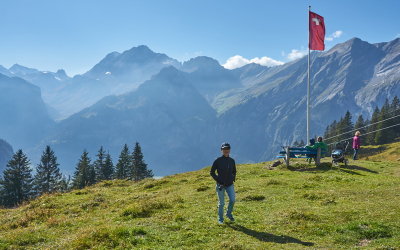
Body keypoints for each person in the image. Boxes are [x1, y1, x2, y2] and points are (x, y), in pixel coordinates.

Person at [210, 142, 236, 224]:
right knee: (221, 203)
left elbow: (234, 171)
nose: (226, 150)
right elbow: (212, 172)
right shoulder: (217, 161)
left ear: (230, 150)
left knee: (232, 200)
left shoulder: (232, 161)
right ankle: (220, 219)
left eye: (227, 149)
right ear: (221, 150)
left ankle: (228, 214)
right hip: (220, 185)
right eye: (224, 149)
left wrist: (232, 178)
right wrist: (218, 180)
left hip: (229, 185)